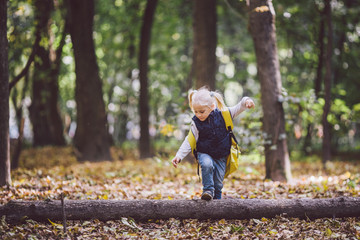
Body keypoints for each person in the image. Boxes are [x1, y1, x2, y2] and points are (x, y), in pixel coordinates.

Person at [171, 87, 255, 200]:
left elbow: (239, 107)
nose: (198, 115)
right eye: (195, 111)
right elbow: (189, 140)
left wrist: (246, 101)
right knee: (206, 164)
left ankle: (217, 203)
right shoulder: (196, 122)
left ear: (212, 107)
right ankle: (207, 190)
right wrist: (179, 155)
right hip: (204, 152)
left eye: (201, 111)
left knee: (218, 183)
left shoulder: (224, 114)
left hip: (221, 155)